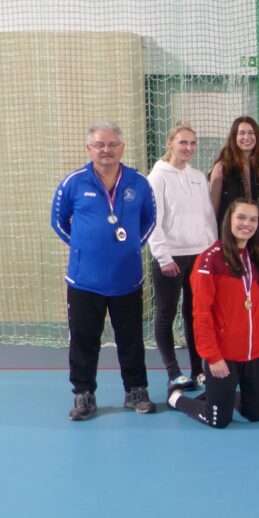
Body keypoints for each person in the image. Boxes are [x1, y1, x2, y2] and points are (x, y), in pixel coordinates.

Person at [51, 122, 158, 420]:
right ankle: (84, 394)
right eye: (100, 145)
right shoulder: (73, 183)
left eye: (112, 144)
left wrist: (132, 246)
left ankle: (136, 390)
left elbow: (150, 219)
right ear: (89, 149)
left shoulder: (138, 182)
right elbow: (58, 221)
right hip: (84, 280)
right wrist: (83, 249)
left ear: (122, 148)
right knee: (84, 340)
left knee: (131, 338)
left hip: (127, 278)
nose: (106, 150)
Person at [167, 199, 259, 428]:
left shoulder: (255, 256)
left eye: (253, 219)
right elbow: (201, 314)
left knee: (257, 413)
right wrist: (212, 357)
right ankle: (178, 399)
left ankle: (220, 394)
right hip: (224, 355)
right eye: (241, 217)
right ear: (228, 220)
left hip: (256, 352)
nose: (247, 224)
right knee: (218, 420)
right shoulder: (209, 260)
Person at [147, 122, 217, 391]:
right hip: (171, 258)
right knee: (166, 313)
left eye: (192, 143)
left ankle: (198, 369)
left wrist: (211, 252)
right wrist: (163, 256)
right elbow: (152, 221)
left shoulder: (198, 177)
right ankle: (173, 372)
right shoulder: (157, 177)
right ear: (170, 143)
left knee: (194, 313)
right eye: (183, 142)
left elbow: (208, 218)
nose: (188, 148)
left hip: (198, 256)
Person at [209, 116, 259, 234]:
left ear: (257, 136)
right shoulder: (222, 167)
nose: (247, 137)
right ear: (234, 137)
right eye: (242, 133)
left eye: (251, 133)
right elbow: (213, 209)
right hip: (230, 233)